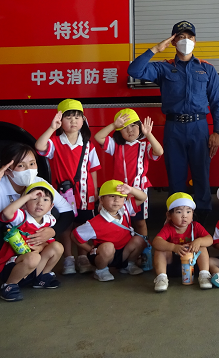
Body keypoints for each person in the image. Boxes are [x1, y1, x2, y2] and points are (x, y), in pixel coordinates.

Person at [127, 21, 219, 222]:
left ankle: (203, 217)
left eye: (189, 37)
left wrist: (217, 131)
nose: (185, 41)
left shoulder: (206, 69)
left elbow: (218, 102)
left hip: (199, 127)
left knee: (201, 173)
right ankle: (177, 217)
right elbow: (134, 71)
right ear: (173, 41)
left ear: (195, 41)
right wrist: (156, 49)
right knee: (176, 174)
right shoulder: (164, 67)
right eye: (180, 37)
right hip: (174, 128)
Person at [0, 142, 74, 299]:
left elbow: (67, 212)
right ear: (7, 169)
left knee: (46, 217)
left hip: (18, 249)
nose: (28, 169)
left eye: (32, 164)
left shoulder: (39, 183)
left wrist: (52, 231)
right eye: (21, 165)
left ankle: (34, 275)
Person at [35, 99, 101, 275]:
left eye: (77, 117)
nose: (73, 121)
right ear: (60, 121)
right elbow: (39, 146)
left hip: (86, 193)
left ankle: (83, 257)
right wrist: (52, 128)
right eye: (68, 117)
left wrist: (95, 192)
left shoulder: (88, 144)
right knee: (66, 224)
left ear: (83, 120)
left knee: (83, 224)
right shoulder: (55, 142)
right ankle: (68, 258)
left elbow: (93, 170)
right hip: (63, 194)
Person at [94, 108, 163, 237]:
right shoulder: (115, 145)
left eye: (133, 125)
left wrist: (148, 134)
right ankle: (124, 243)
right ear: (119, 131)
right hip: (119, 191)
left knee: (140, 222)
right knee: (120, 219)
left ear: (140, 127)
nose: (130, 130)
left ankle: (144, 245)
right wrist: (114, 125)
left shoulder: (144, 146)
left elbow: (159, 151)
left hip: (139, 190)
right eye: (124, 127)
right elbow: (98, 137)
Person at [0, 181, 65, 302]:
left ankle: (41, 278)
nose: (40, 203)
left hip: (34, 267)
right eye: (34, 199)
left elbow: (49, 242)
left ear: (51, 206)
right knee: (33, 257)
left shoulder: (49, 220)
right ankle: (9, 285)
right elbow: (6, 213)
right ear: (25, 203)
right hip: (11, 266)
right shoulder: (21, 217)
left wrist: (41, 247)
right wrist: (27, 196)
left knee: (57, 247)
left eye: (45, 200)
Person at [72, 180, 148, 281]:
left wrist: (130, 190)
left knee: (139, 240)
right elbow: (74, 235)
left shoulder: (125, 209)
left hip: (124, 252)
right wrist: (89, 249)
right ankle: (101, 270)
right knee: (108, 247)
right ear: (101, 200)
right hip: (105, 254)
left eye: (120, 196)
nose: (116, 200)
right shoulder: (94, 223)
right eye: (112, 196)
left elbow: (143, 197)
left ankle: (128, 264)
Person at [152, 192, 214, 292]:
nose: (184, 216)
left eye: (188, 212)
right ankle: (162, 278)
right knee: (161, 249)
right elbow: (156, 242)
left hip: (192, 265)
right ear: (169, 215)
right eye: (179, 212)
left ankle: (204, 275)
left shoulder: (195, 226)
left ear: (193, 213)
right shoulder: (168, 228)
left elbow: (210, 239)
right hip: (173, 266)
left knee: (202, 247)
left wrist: (199, 241)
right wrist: (173, 247)